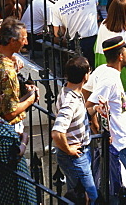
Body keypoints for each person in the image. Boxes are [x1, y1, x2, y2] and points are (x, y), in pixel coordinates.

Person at [86, 35, 126, 202]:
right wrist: (93, 118)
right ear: (120, 56)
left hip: (120, 140)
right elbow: (87, 103)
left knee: (119, 182)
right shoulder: (109, 80)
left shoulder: (102, 70)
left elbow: (85, 90)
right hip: (121, 142)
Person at [52, 55, 99, 204]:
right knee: (91, 196)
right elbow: (57, 132)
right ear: (86, 76)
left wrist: (96, 109)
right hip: (75, 157)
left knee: (78, 196)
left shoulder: (71, 92)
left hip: (80, 153)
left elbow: (78, 116)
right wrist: (68, 149)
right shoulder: (70, 102)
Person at [0, 18, 38, 131]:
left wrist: (25, 89)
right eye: (24, 39)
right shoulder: (6, 71)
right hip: (8, 127)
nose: (26, 43)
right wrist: (31, 98)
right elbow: (10, 113)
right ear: (12, 41)